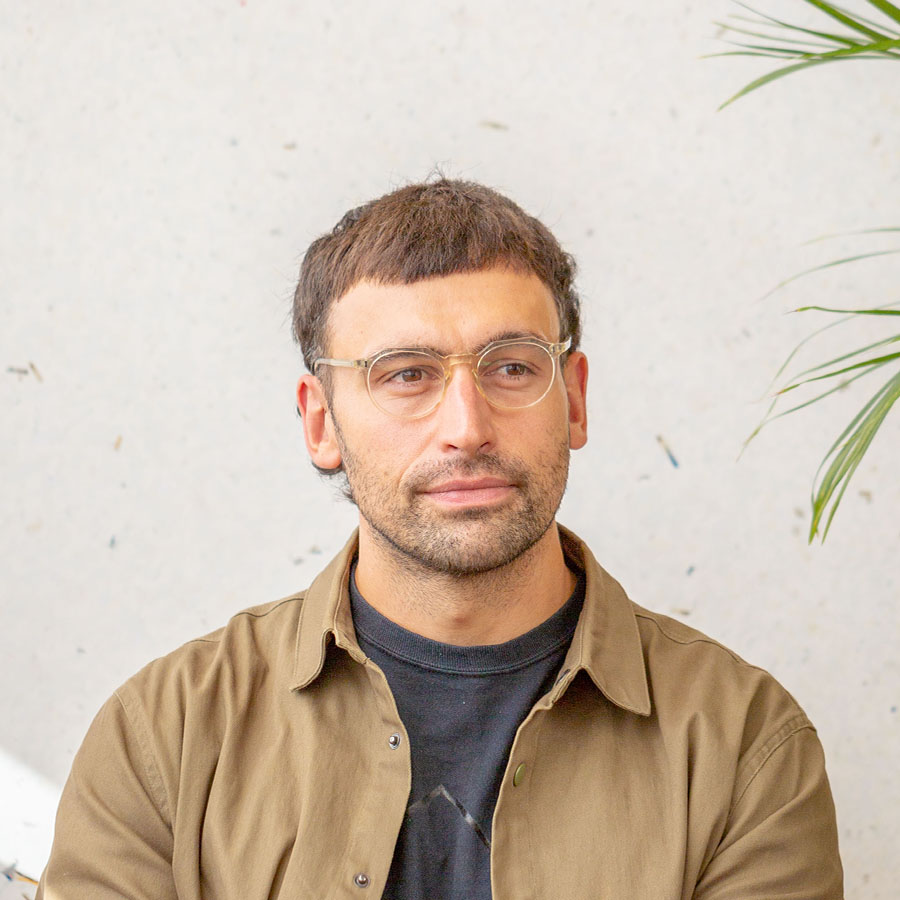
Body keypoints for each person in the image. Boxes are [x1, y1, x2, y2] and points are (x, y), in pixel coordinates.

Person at [38, 178, 843, 899]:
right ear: (321, 422)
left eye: (512, 368)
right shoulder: (166, 736)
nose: (466, 428)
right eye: (406, 373)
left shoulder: (744, 745)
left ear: (574, 398)